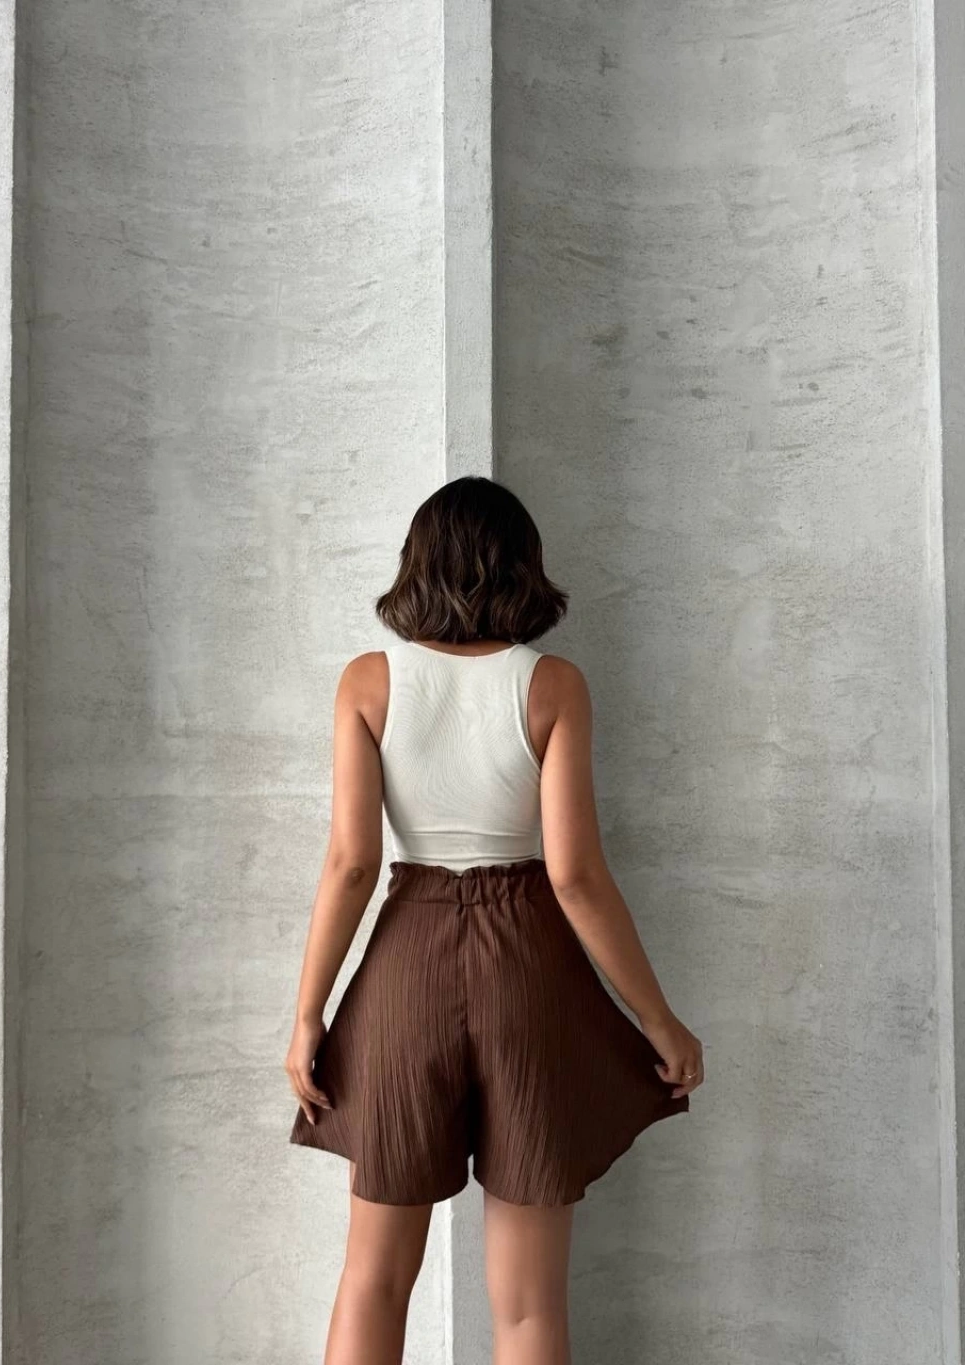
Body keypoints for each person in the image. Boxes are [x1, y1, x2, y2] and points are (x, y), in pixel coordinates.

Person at [286, 475, 703, 1365]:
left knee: (373, 1279)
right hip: (529, 963)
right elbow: (576, 877)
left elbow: (352, 862)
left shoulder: (368, 681)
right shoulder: (553, 685)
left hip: (407, 961)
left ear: (417, 563)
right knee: (528, 1305)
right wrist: (658, 1020)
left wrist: (308, 1012)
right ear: (523, 565)